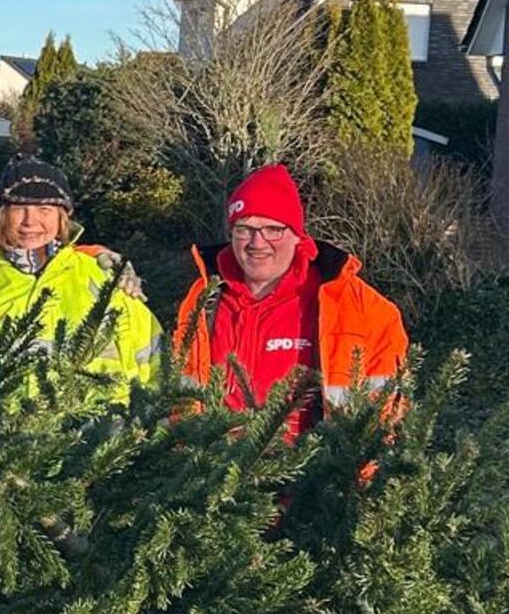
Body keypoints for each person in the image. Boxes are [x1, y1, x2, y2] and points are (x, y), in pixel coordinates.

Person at [172, 163, 408, 441]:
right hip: (213, 474)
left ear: (297, 235)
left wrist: (355, 480)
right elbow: (180, 398)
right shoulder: (203, 298)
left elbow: (383, 418)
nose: (257, 242)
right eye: (244, 229)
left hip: (312, 475)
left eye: (273, 229)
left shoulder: (361, 309)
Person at [0, 157, 161, 398]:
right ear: (2, 216)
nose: (30, 221)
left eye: (44, 209)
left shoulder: (105, 278)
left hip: (101, 434)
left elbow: (155, 364)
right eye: (19, 208)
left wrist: (158, 432)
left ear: (62, 218)